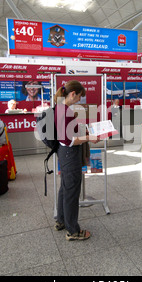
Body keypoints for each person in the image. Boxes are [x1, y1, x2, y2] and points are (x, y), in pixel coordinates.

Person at [53, 80, 100, 241]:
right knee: (72, 192)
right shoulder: (64, 111)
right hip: (69, 154)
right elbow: (69, 141)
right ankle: (73, 230)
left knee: (65, 188)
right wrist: (88, 137)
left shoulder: (60, 108)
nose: (79, 101)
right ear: (72, 94)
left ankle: (61, 220)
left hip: (63, 153)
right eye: (79, 97)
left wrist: (83, 131)